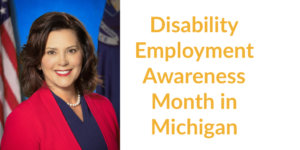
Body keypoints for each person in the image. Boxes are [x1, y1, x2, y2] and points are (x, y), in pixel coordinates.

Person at [0, 12, 119, 150]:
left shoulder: (105, 106)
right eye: (51, 52)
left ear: (84, 54)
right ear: (38, 61)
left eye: (71, 51)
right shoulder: (22, 119)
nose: (63, 61)